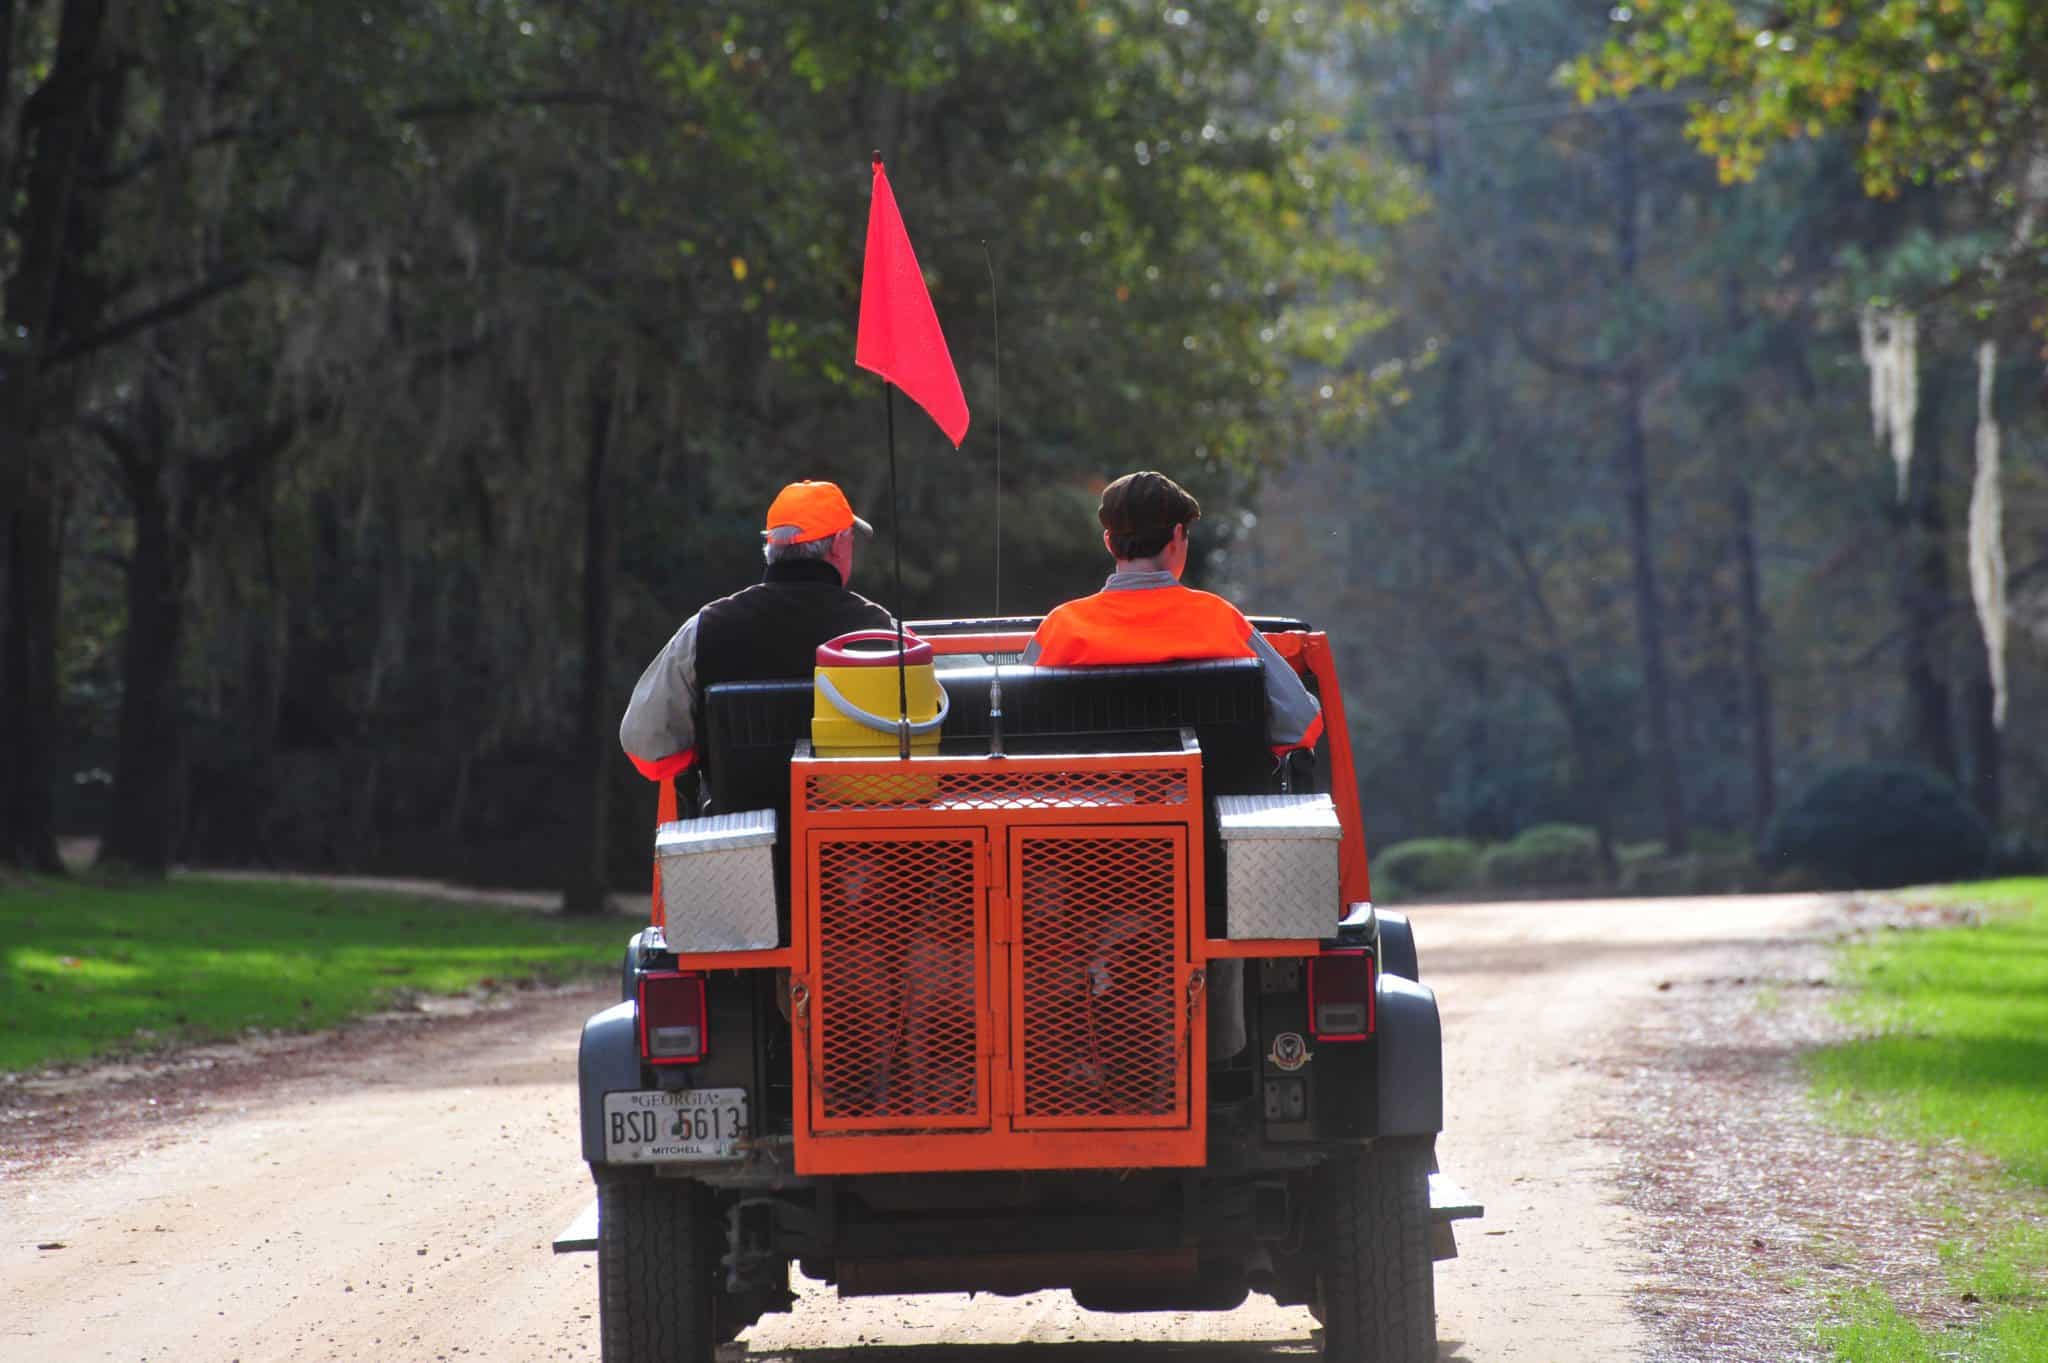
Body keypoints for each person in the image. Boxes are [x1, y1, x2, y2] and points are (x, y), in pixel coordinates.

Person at [1022, 470, 1322, 752]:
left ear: (1109, 543)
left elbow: (1019, 726)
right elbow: (1301, 722)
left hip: (1089, 803)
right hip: (1205, 805)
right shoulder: (1218, 620)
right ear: (1178, 535)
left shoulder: (1061, 626)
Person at [620, 480, 893, 778]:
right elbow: (925, 732)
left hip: (737, 821)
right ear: (840, 546)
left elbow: (645, 749)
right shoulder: (881, 630)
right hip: (849, 820)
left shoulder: (705, 628)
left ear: (771, 547)